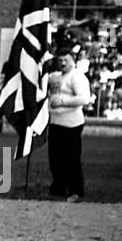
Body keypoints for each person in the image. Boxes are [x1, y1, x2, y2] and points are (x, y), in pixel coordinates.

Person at [47, 48, 92, 201]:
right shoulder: (55, 77)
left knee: (71, 159)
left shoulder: (78, 77)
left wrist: (63, 101)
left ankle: (75, 190)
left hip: (71, 123)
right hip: (55, 122)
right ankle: (59, 186)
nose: (63, 63)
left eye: (66, 60)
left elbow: (84, 99)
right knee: (55, 158)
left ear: (73, 60)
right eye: (60, 60)